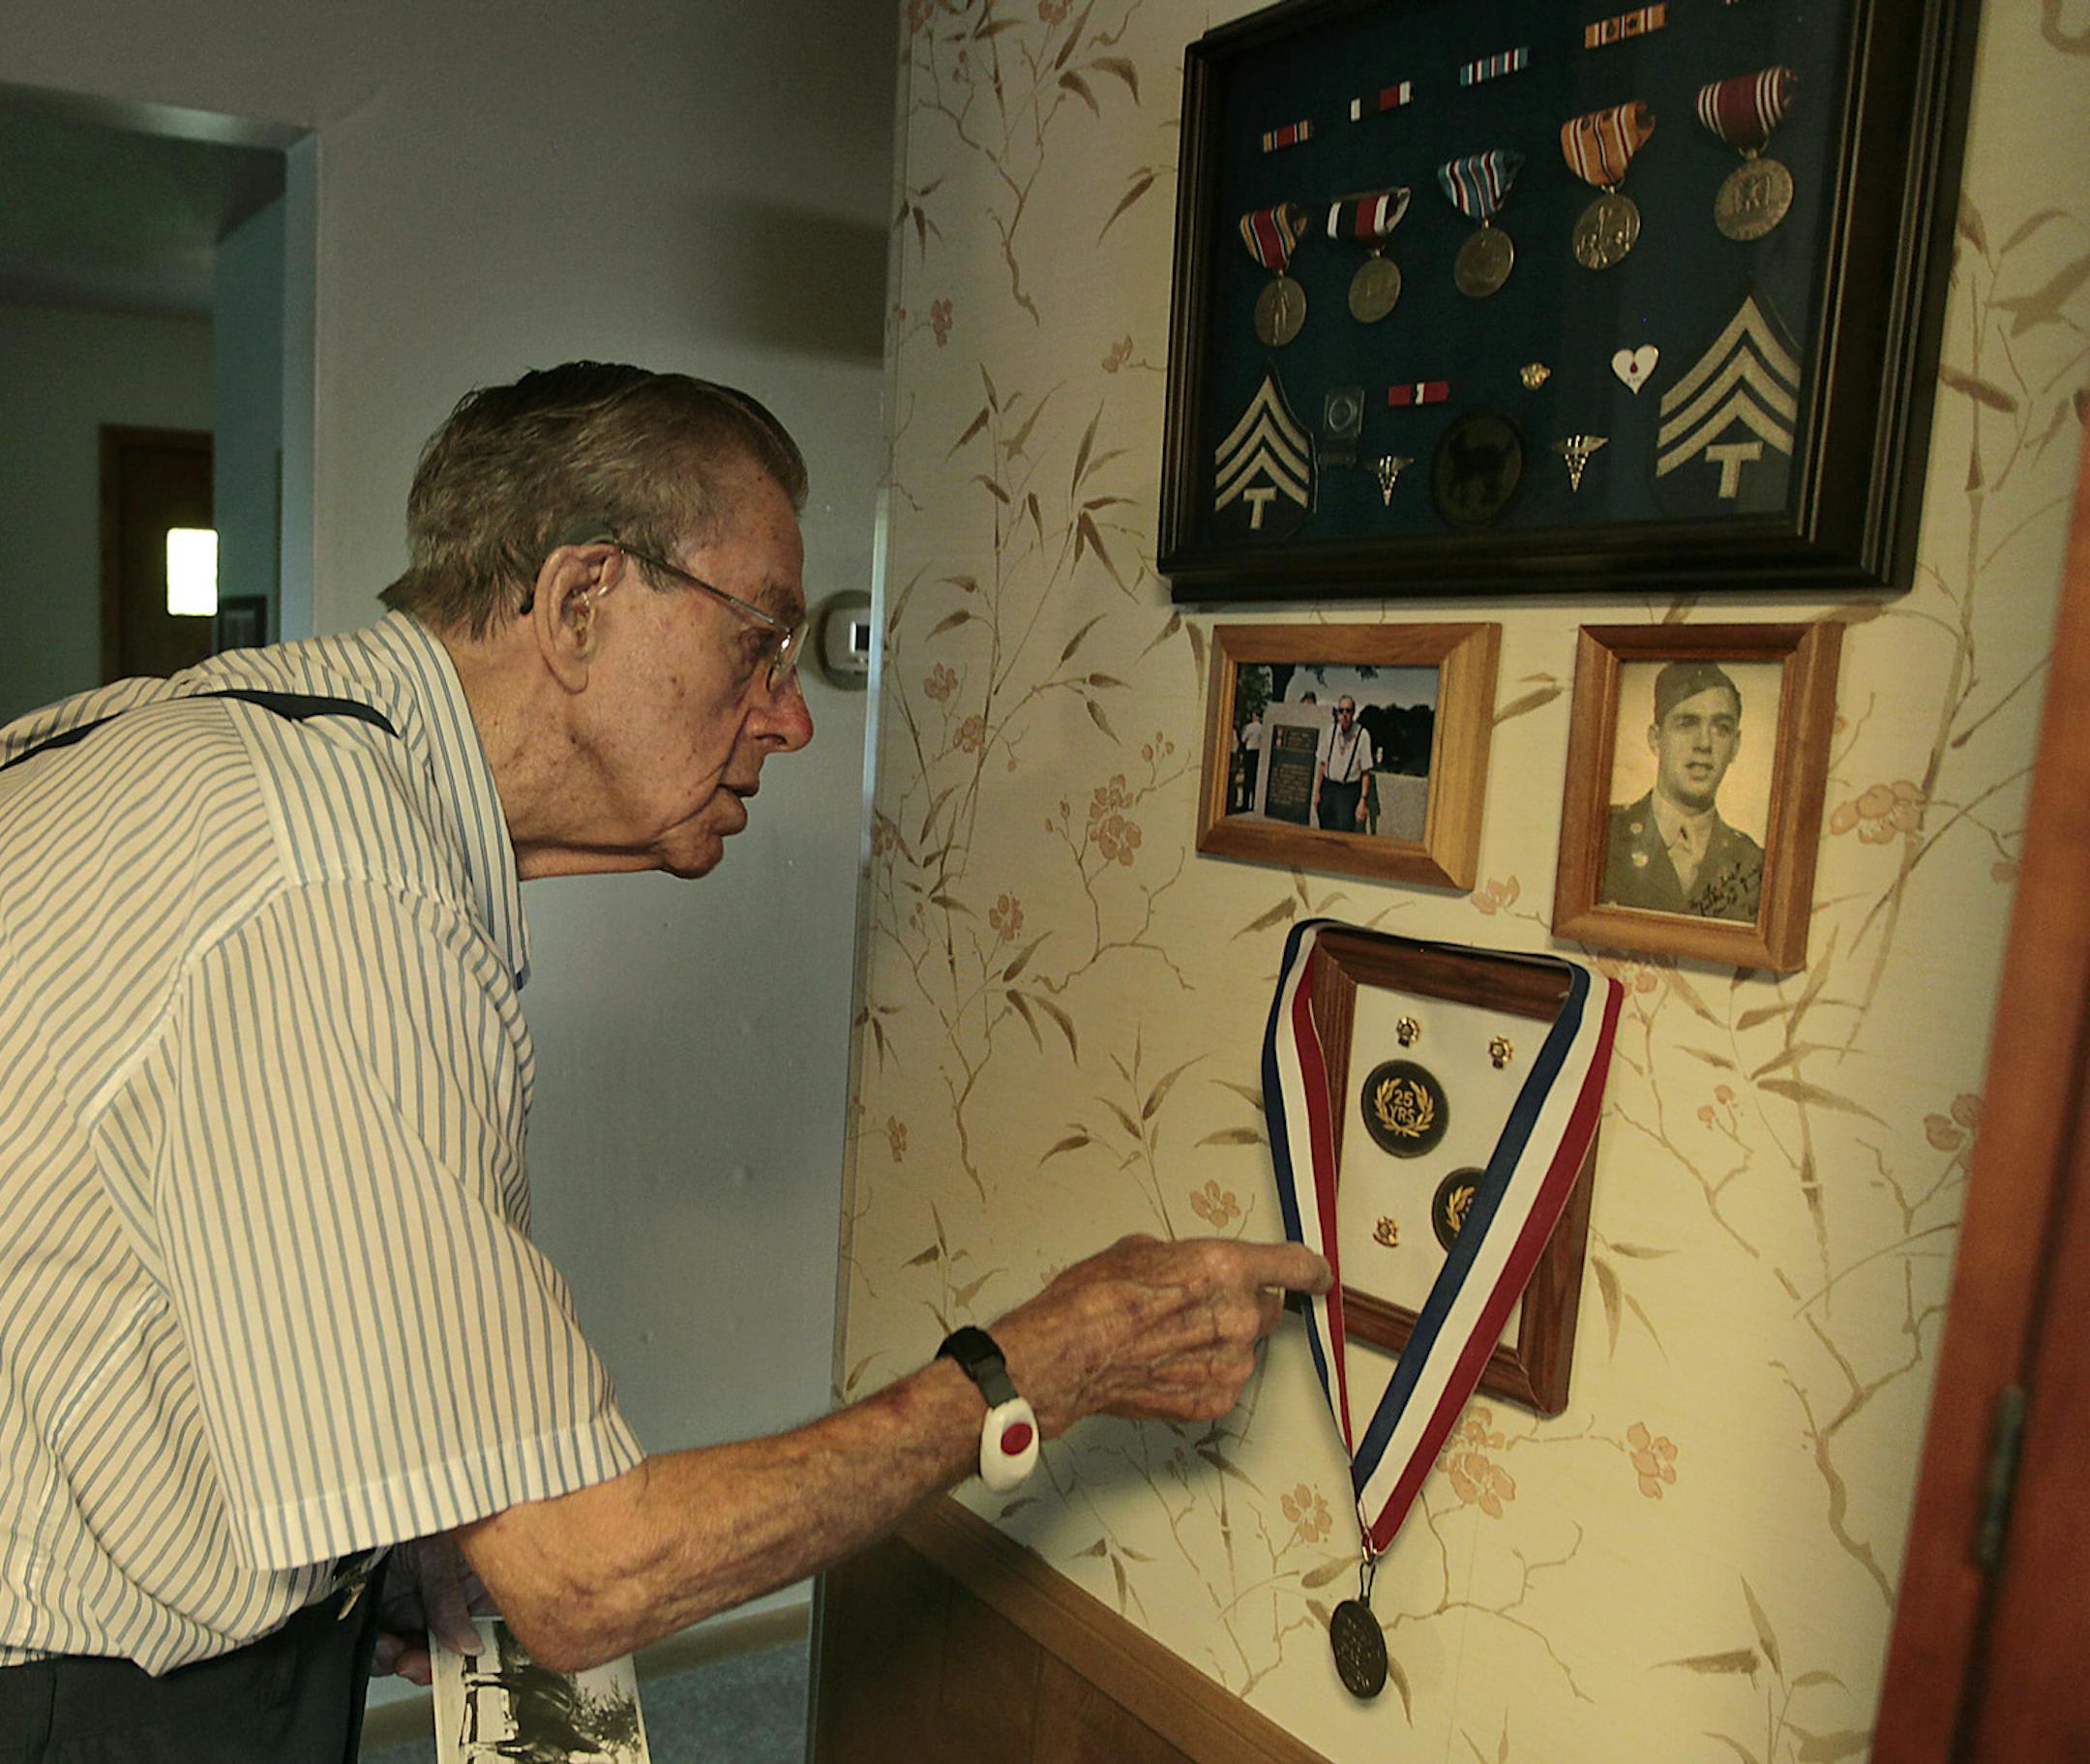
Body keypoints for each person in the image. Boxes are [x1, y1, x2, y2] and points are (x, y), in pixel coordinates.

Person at [0, 362, 1330, 1761]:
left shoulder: (216, 751)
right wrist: (1046, 1362)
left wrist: (365, 1547)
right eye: (762, 639)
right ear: (581, 602)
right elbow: (590, 1574)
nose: (795, 711)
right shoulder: (334, 877)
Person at [1601, 659, 1764, 921]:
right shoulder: (1605, 837)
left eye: (1721, 728)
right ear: (1656, 739)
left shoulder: (1753, 862)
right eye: (1687, 723)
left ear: (1735, 746)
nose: (1704, 743)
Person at [1313, 695, 1376, 834]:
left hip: (1348, 792)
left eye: (1348, 711)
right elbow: (1322, 763)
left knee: (1343, 833)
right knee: (1324, 830)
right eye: (1341, 711)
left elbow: (1366, 772)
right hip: (1329, 788)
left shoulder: (1362, 735)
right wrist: (1317, 792)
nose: (1345, 715)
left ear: (1353, 713)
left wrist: (1363, 801)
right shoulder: (1331, 731)